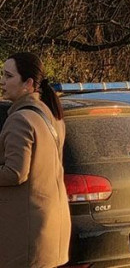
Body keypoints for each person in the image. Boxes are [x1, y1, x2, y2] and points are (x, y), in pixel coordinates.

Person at [1, 52, 72, 268]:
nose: (2, 81)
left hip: (26, 237)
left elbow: (15, 173)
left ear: (28, 83)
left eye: (8, 76)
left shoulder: (20, 120)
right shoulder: (52, 117)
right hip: (52, 230)